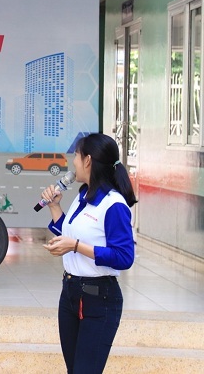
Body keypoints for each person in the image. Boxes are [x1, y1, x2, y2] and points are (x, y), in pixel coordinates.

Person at [40, 133, 137, 374]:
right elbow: (72, 233)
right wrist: (54, 206)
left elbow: (124, 257)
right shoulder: (83, 194)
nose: (72, 161)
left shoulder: (114, 205)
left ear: (88, 160)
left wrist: (75, 246)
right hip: (70, 292)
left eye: (76, 155)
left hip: (98, 299)